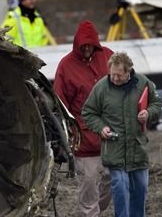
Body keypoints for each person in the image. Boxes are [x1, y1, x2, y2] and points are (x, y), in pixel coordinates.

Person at [82, 51, 162, 217]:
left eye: (119, 75)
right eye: (112, 74)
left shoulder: (143, 83)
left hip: (137, 147)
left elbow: (157, 102)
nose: (115, 78)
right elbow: (88, 112)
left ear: (129, 72)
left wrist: (148, 112)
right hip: (114, 147)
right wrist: (101, 128)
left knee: (141, 187)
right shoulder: (101, 87)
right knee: (120, 186)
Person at [53, 20, 113, 217]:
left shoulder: (108, 56)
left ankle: (95, 210)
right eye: (83, 45)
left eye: (91, 45)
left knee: (112, 178)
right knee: (88, 181)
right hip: (83, 135)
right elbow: (60, 102)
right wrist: (68, 131)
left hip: (111, 132)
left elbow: (126, 81)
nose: (87, 49)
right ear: (77, 44)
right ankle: (90, 214)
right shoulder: (66, 66)